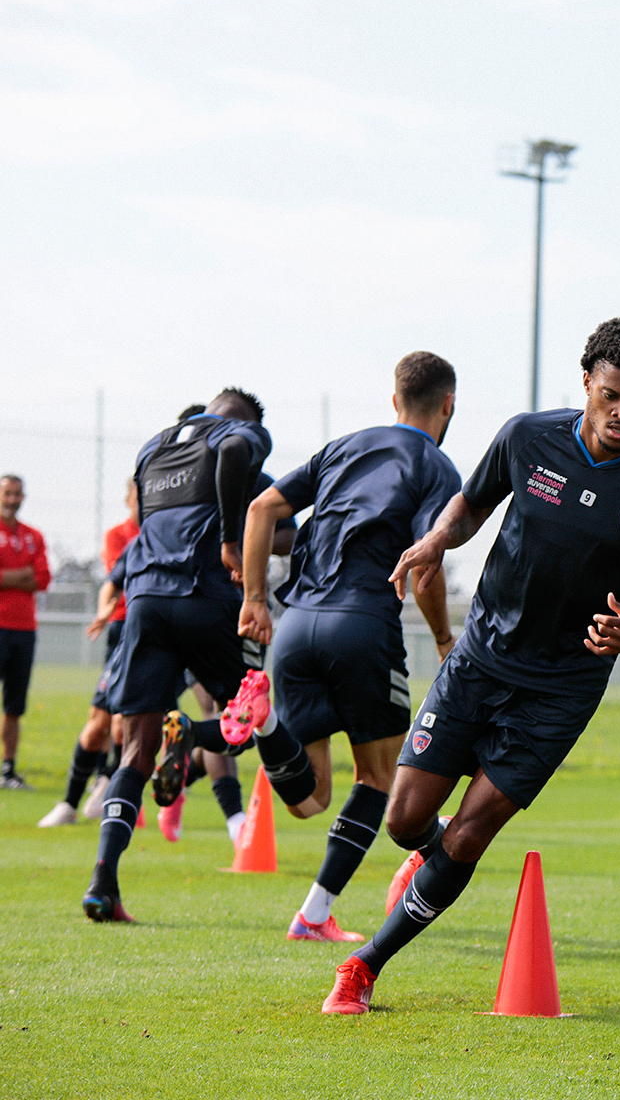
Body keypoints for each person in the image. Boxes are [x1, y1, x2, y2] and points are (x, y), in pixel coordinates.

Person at [320, 317, 620, 1015]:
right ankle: (429, 857)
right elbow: (470, 506)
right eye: (611, 395)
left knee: (469, 835)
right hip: (480, 659)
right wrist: (438, 539)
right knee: (404, 821)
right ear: (587, 382)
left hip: (562, 689)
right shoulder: (527, 437)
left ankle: (364, 966)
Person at [237, 352, 461, 943]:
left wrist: (254, 599)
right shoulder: (436, 467)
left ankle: (264, 725)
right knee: (379, 780)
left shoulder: (342, 447)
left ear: (394, 400)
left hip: (295, 625)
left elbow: (261, 508)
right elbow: (426, 565)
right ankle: (313, 915)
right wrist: (444, 637)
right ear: (448, 405)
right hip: (361, 626)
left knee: (309, 798)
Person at [82, 389, 303, 923]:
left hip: (146, 602)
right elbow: (241, 460)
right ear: (241, 419)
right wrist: (231, 541)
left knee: (135, 750)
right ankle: (189, 733)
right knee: (247, 718)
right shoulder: (239, 434)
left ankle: (103, 882)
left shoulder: (152, 449)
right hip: (206, 597)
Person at [39, 478, 140, 827]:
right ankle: (70, 802)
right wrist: (104, 608)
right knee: (100, 721)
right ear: (129, 499)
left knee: (127, 721)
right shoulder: (121, 537)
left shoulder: (173, 531)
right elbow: (116, 580)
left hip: (158, 632)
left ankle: (108, 783)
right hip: (123, 629)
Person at [0, 473, 50, 789]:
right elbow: (30, 575)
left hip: (24, 629)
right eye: (7, 493)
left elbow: (43, 578)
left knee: (15, 705)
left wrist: (7, 576)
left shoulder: (34, 535)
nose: (12, 499)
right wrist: (23, 575)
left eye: (17, 494)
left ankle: (8, 769)